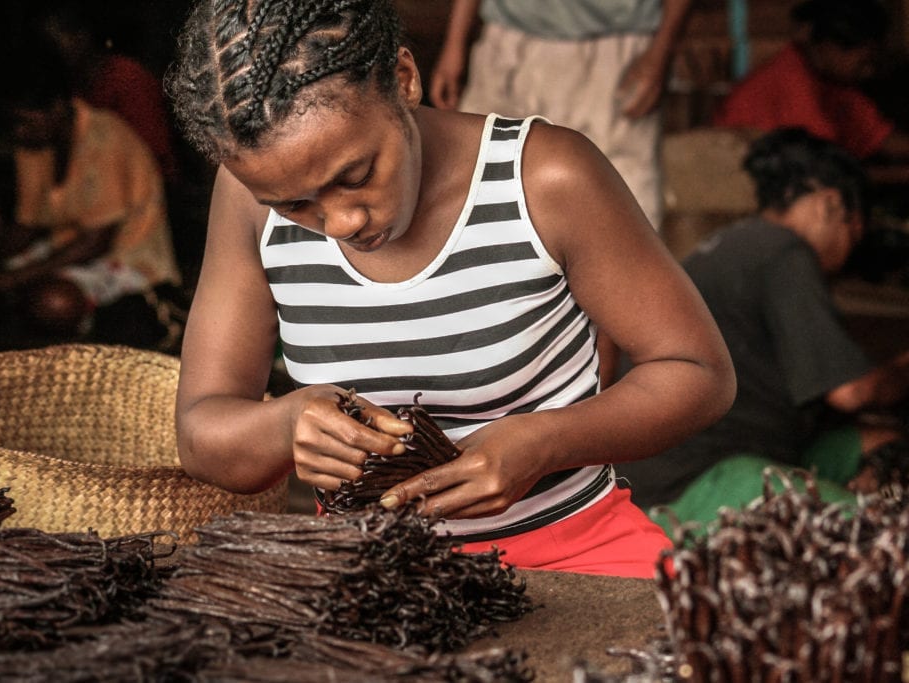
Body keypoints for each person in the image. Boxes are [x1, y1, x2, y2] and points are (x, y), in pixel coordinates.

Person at [167, 0, 734, 577]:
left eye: (356, 176)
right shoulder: (246, 203)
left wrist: (546, 442)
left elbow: (697, 373)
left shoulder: (545, 178)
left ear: (405, 81)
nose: (341, 223)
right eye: (293, 206)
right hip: (365, 568)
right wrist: (287, 425)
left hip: (575, 547)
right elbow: (202, 433)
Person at [616, 128, 909, 529]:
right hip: (694, 484)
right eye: (853, 232)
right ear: (830, 205)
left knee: (878, 442)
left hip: (700, 461)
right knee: (883, 532)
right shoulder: (785, 252)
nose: (848, 253)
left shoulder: (735, 243)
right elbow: (852, 392)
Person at [429, 0, 694, 233]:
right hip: (507, 44)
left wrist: (660, 53)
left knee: (622, 216)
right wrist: (455, 44)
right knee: (478, 198)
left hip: (614, 53)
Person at [0, 46, 181, 344]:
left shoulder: (105, 138)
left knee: (52, 302)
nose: (19, 132)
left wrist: (12, 279)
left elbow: (95, 243)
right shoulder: (34, 144)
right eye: (13, 123)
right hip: (65, 250)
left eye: (25, 121)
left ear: (58, 108)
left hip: (127, 260)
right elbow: (29, 224)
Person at [714, 0, 909, 162]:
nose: (869, 72)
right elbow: (821, 165)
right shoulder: (790, 81)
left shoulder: (832, 85)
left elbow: (880, 137)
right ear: (830, 47)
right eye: (864, 63)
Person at [39, 4, 180, 185]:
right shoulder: (70, 88)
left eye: (55, 42)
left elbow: (154, 157)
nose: (52, 53)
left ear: (82, 36)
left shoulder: (128, 80)